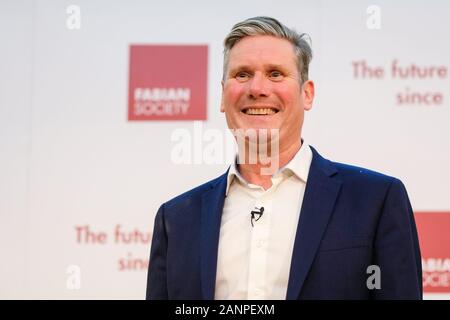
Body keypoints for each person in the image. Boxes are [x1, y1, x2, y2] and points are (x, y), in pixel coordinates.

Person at [146, 16, 422, 300]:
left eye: (275, 74)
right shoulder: (177, 219)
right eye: (242, 74)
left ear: (307, 94)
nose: (257, 89)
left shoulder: (375, 201)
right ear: (222, 95)